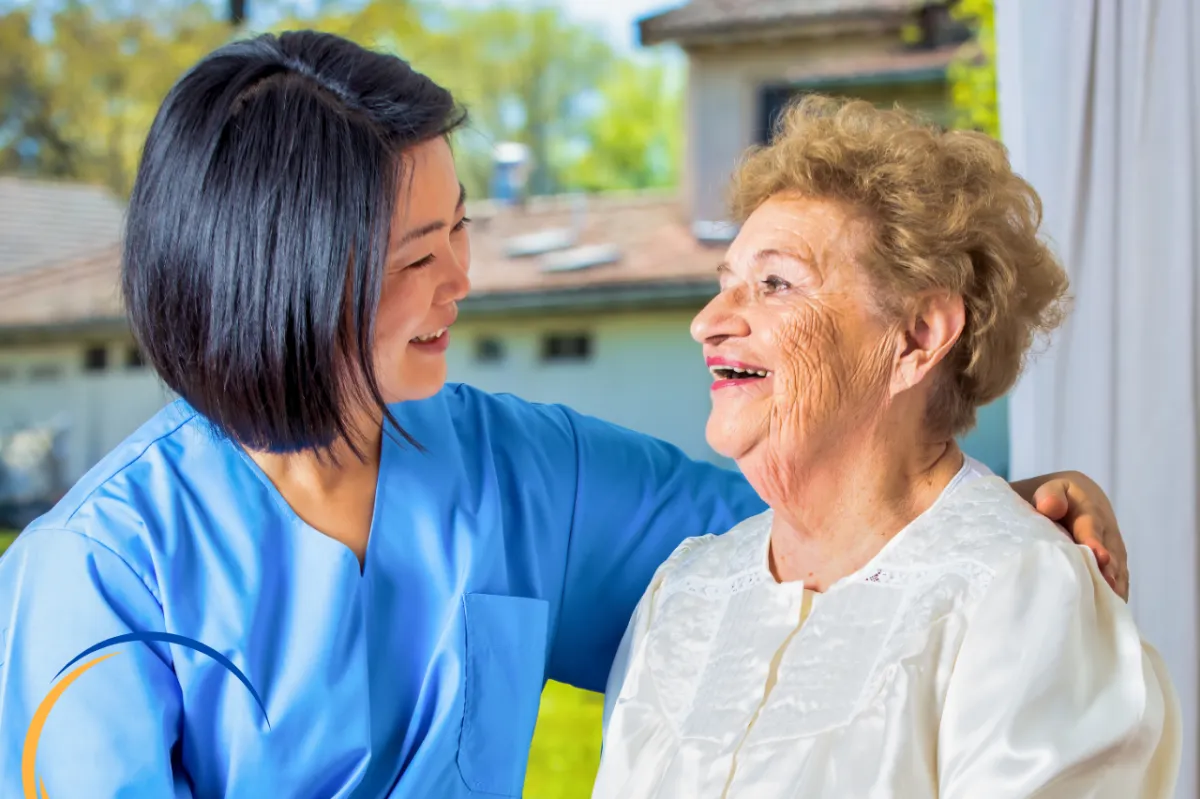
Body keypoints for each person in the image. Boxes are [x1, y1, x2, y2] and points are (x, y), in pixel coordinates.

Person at [0, 33, 1129, 799]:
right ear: (287, 280)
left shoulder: (517, 469)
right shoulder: (96, 578)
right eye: (418, 256)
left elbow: (818, 524)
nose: (463, 281)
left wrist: (995, 516)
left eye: (463, 232)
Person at [592, 96, 1180, 798]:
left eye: (775, 283)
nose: (708, 323)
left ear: (919, 336)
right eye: (724, 288)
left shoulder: (1023, 595)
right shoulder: (686, 589)